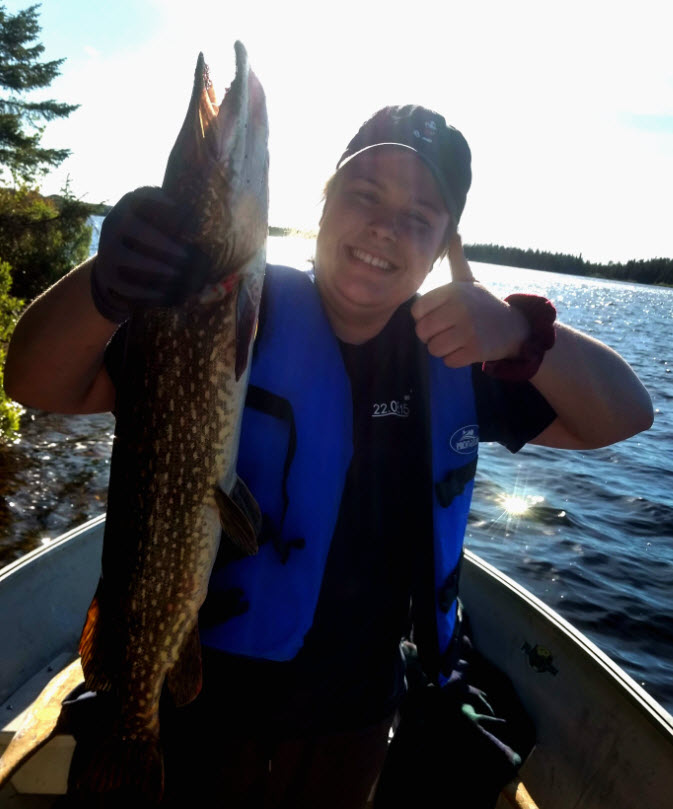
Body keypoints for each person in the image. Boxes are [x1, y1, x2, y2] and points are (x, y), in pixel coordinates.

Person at [4, 105, 653, 808]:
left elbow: (621, 414)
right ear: (321, 202)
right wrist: (106, 284)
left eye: (419, 214)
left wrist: (521, 331)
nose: (383, 226)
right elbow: (35, 380)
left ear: (442, 246)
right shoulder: (216, 313)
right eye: (365, 194)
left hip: (351, 718)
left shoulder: (457, 353)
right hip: (202, 703)